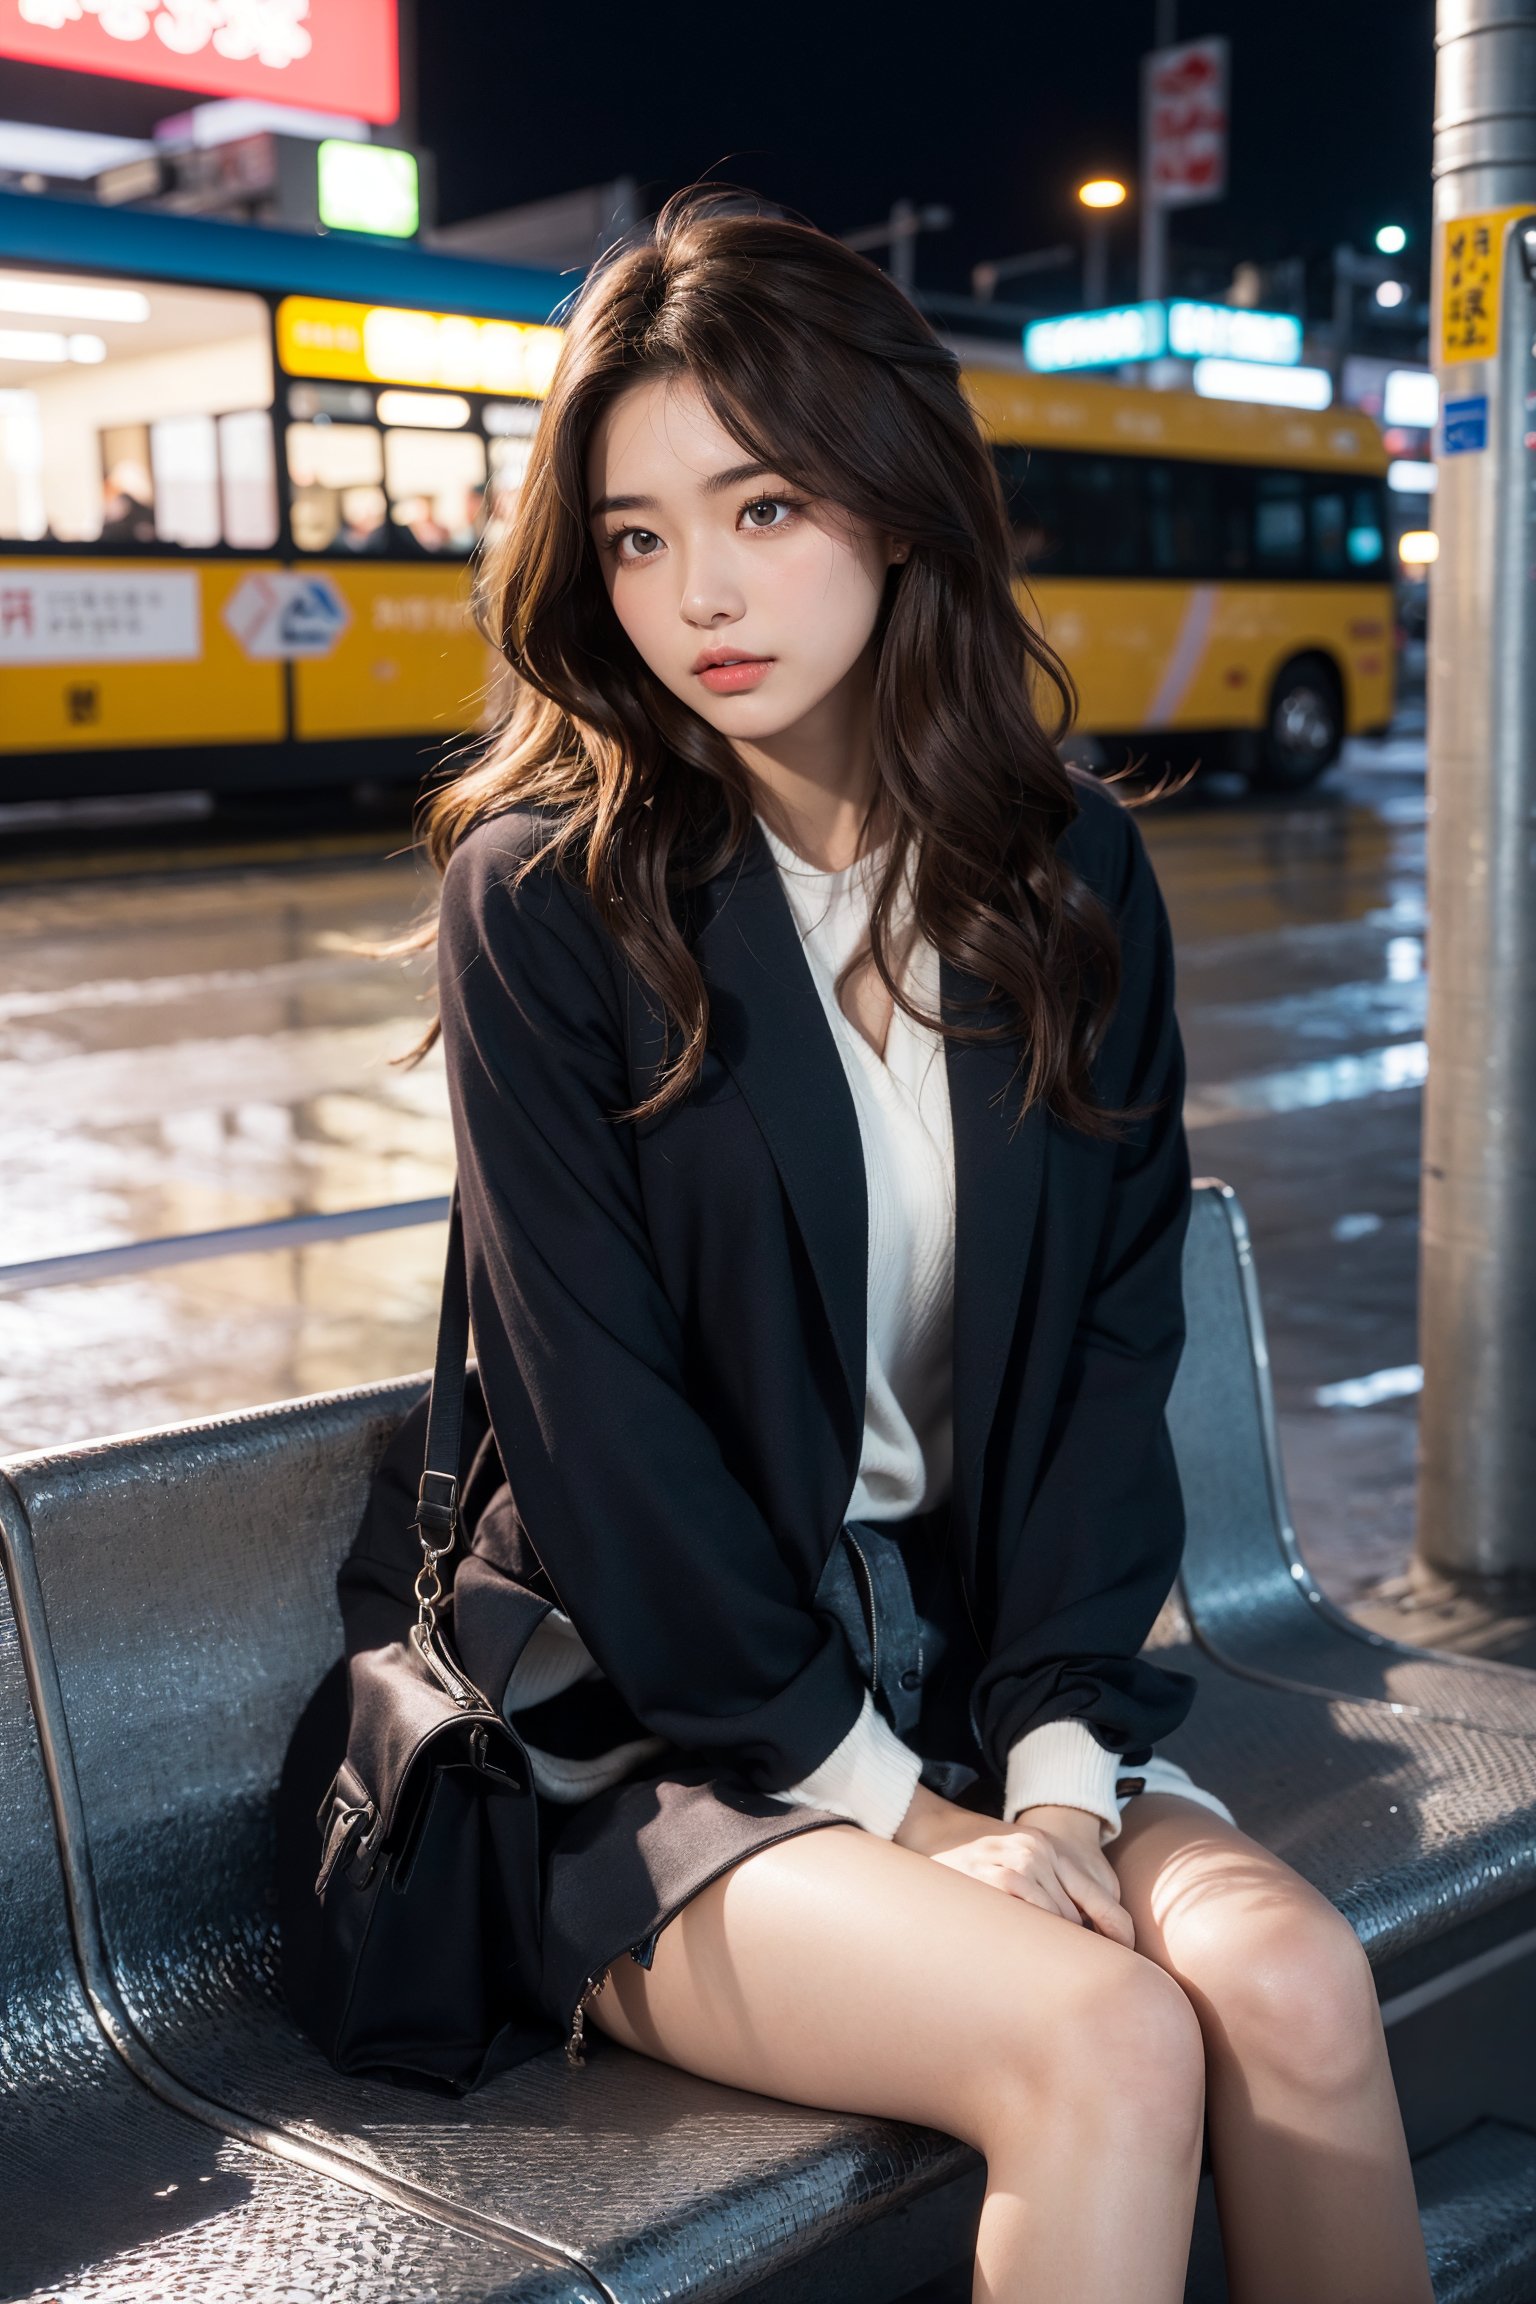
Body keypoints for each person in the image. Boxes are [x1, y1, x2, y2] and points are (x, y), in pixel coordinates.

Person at [414, 192, 1432, 2302]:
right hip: (664, 1733)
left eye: (761, 504)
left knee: (1305, 2000)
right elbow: (604, 1454)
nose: (697, 591)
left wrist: (1053, 1770)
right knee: (1106, 2036)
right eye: (631, 534)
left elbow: (1099, 1374)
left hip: (987, 1682)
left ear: (894, 504)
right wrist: (915, 1812)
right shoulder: (554, 900)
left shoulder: (1065, 882)